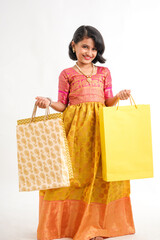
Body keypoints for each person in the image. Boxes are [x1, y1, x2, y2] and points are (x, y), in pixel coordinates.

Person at [35, 25, 135, 240]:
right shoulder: (67, 74)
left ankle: (96, 227)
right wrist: (49, 102)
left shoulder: (104, 73)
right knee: (71, 176)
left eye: (94, 49)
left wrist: (119, 96)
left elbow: (108, 102)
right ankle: (68, 227)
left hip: (100, 129)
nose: (89, 53)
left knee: (98, 176)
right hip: (74, 130)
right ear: (74, 45)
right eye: (85, 47)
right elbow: (62, 104)